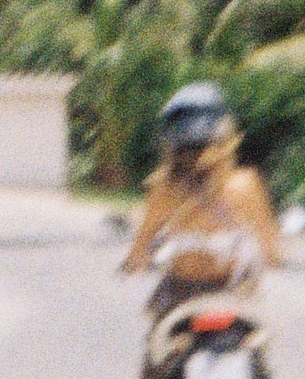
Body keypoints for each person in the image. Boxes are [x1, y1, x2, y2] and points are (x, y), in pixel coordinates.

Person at [120, 81, 282, 298]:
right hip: (234, 291)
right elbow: (271, 250)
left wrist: (135, 261)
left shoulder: (164, 186)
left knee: (156, 316)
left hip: (181, 292)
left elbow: (139, 249)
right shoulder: (245, 183)